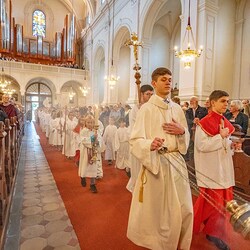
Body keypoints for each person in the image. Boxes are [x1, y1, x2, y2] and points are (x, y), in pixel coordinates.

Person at [127, 67, 193, 250]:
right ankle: (161, 245)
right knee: (163, 213)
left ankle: (181, 244)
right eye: (163, 79)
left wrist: (182, 132)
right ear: (154, 83)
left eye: (170, 79)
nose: (168, 82)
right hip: (157, 163)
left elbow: (185, 135)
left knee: (185, 207)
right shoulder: (146, 110)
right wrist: (150, 144)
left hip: (177, 163)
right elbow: (134, 140)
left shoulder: (178, 109)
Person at [193, 90, 235, 250]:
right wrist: (221, 137)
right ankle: (214, 233)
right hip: (212, 172)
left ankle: (214, 232)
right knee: (214, 206)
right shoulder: (204, 123)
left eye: (227, 101)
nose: (226, 104)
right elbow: (201, 146)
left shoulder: (224, 121)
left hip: (223, 169)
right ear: (212, 102)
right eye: (223, 101)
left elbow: (225, 142)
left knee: (224, 205)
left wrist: (231, 144)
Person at [126, 84, 154, 192]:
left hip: (151, 144)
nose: (150, 97)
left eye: (152, 94)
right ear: (141, 95)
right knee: (138, 173)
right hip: (139, 144)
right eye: (147, 94)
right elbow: (135, 129)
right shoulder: (135, 110)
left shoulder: (153, 108)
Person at [78, 115, 101, 193]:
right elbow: (83, 140)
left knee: (93, 167)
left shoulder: (96, 131)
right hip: (86, 152)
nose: (90, 124)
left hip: (94, 151)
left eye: (91, 122)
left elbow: (100, 140)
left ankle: (92, 184)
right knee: (85, 166)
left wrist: (97, 141)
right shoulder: (83, 131)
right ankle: (83, 176)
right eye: (88, 122)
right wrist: (92, 138)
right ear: (85, 123)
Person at [185, 96, 208, 161]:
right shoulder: (188, 110)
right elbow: (186, 119)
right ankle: (191, 161)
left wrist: (198, 121)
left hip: (200, 131)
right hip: (191, 131)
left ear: (197, 102)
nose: (190, 102)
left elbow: (205, 119)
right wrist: (193, 121)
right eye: (190, 101)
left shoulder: (203, 110)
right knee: (190, 147)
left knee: (198, 146)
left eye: (192, 101)